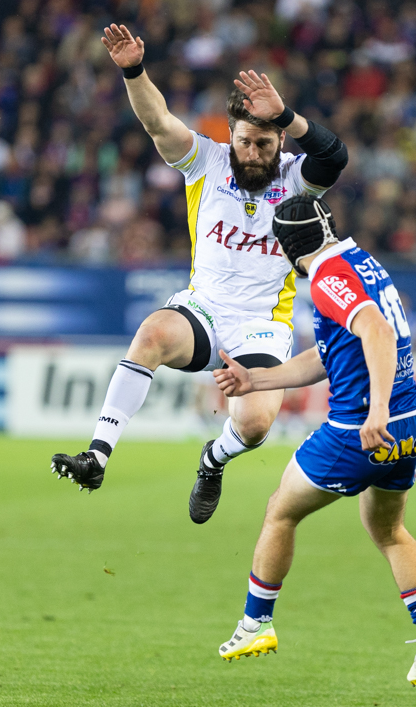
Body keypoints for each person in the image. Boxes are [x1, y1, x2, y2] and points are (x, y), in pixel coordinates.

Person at [51, 24, 348, 524]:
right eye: (245, 142)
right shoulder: (206, 162)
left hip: (261, 322)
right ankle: (98, 456)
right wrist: (133, 70)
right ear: (229, 135)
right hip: (204, 309)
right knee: (151, 333)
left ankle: (213, 460)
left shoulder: (298, 178)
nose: (253, 153)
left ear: (279, 140)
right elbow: (157, 121)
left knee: (253, 425)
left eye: (264, 144)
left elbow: (334, 155)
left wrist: (289, 117)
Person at [212, 195, 416, 687]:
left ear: (285, 248)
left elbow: (378, 334)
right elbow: (330, 356)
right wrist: (256, 381)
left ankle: (255, 623)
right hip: (409, 428)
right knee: (389, 532)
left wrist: (376, 410)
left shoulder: (326, 279)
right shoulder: (360, 261)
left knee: (281, 510)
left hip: (358, 431)